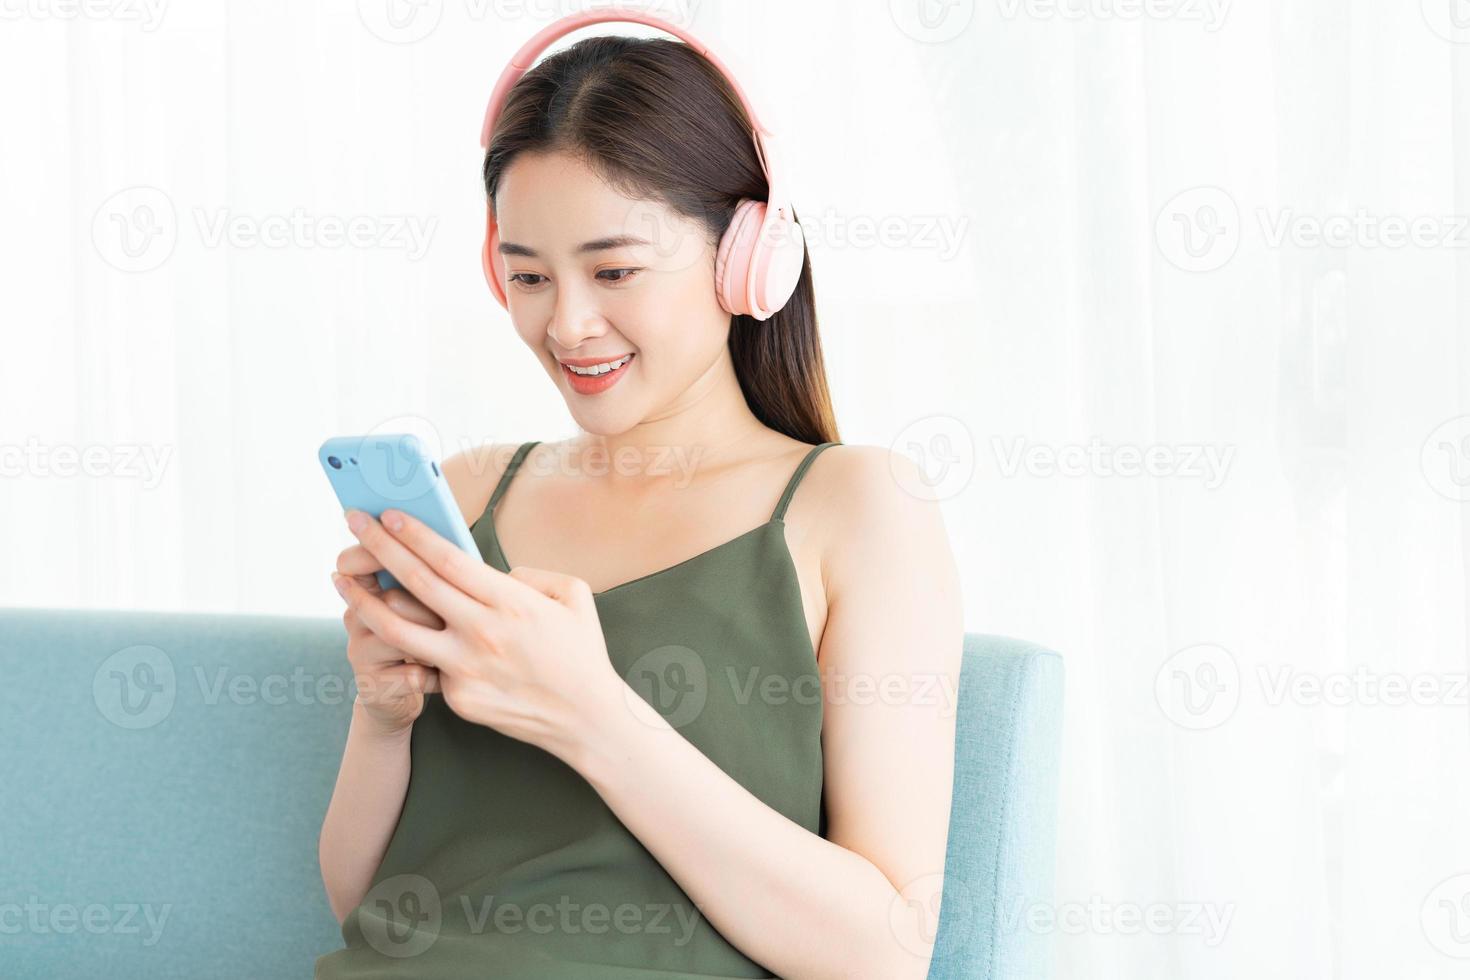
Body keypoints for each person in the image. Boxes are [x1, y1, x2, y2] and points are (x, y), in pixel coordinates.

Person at [316, 12, 962, 979]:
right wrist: (382, 716)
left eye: (615, 269)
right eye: (527, 275)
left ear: (747, 258)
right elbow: (365, 906)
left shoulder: (859, 507)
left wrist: (589, 712)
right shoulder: (467, 492)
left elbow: (884, 952)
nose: (567, 325)